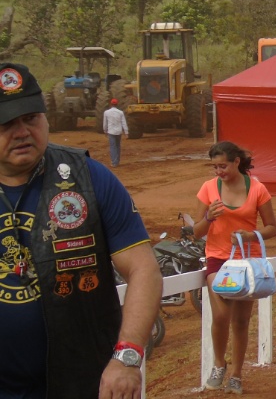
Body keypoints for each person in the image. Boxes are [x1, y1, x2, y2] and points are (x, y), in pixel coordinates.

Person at [0, 62, 162, 399]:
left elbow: (143, 267)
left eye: (31, 118)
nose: (22, 132)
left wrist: (128, 356)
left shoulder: (89, 178)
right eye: (6, 124)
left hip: (82, 382)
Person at [195, 141, 276, 394]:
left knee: (242, 321)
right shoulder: (208, 188)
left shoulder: (257, 189)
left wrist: (250, 235)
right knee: (221, 314)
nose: (219, 171)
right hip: (218, 259)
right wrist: (209, 217)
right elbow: (196, 231)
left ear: (236, 162)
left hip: (247, 261)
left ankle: (236, 375)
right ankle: (219, 364)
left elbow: (273, 228)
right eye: (215, 167)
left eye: (223, 166)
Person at [102, 97, 129, 168]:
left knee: (112, 147)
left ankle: (114, 162)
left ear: (111, 104)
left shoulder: (106, 112)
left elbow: (105, 123)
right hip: (118, 132)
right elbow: (124, 122)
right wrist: (126, 132)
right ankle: (117, 161)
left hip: (111, 131)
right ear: (117, 104)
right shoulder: (120, 112)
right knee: (118, 146)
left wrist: (105, 131)